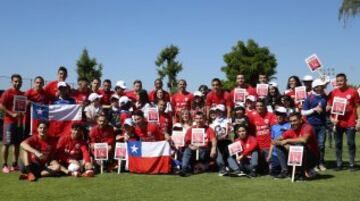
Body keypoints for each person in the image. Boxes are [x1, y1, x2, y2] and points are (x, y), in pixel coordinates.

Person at [327, 73, 360, 171]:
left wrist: (359, 120)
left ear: (346, 81)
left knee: (351, 143)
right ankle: (339, 164)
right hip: (337, 123)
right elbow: (328, 107)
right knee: (337, 144)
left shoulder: (353, 92)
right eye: (337, 81)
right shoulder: (333, 93)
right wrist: (331, 118)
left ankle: (352, 164)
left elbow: (358, 106)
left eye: (341, 80)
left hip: (350, 122)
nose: (339, 82)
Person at [273, 113, 319, 180]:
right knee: (278, 147)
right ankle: (285, 172)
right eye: (291, 121)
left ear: (300, 120)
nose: (292, 123)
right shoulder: (291, 130)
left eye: (295, 120)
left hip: (312, 157)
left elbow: (304, 140)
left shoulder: (307, 127)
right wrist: (285, 144)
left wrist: (287, 141)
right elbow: (275, 141)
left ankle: (302, 173)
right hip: (298, 156)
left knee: (299, 145)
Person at [179, 111, 217, 177]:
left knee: (206, 149)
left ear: (204, 119)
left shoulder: (209, 129)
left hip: (205, 151)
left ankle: (204, 166)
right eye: (197, 118)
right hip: (194, 151)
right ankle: (184, 169)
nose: (199, 120)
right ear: (194, 119)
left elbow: (214, 140)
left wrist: (213, 148)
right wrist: (191, 146)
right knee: (188, 150)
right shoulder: (191, 129)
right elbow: (187, 141)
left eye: (201, 118)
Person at [0, 74, 25, 173]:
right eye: (15, 81)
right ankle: (4, 165)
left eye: (19, 81)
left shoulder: (23, 94)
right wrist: (11, 114)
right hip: (9, 122)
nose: (17, 83)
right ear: (11, 82)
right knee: (6, 144)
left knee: (17, 144)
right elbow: (1, 105)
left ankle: (14, 164)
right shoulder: (7, 93)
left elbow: (24, 106)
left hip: (19, 123)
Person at [302, 79, 328, 171]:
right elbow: (303, 112)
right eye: (321, 86)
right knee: (312, 145)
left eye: (322, 85)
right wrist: (314, 109)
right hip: (311, 125)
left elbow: (323, 105)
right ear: (316, 88)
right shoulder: (309, 98)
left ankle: (320, 163)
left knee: (321, 145)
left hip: (322, 125)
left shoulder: (324, 96)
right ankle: (313, 164)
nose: (323, 87)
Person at [247, 99, 277, 173]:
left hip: (268, 145)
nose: (259, 107)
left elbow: (274, 129)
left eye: (261, 106)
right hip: (257, 146)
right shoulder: (251, 115)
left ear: (264, 106)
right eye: (257, 106)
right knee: (259, 169)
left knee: (272, 169)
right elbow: (249, 130)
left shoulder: (270, 115)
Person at [268, 107, 291, 177]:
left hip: (286, 152)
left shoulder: (290, 126)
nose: (278, 116)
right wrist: (269, 155)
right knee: (273, 172)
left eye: (280, 115)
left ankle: (286, 170)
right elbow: (272, 142)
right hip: (275, 154)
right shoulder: (273, 127)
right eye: (277, 114)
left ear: (285, 116)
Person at [210, 104, 232, 176]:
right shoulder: (213, 122)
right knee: (219, 156)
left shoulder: (227, 121)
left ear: (223, 112)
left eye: (220, 111)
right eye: (217, 111)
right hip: (218, 142)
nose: (218, 113)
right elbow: (212, 134)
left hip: (227, 141)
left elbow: (231, 132)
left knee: (228, 156)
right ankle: (222, 169)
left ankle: (230, 167)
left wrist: (228, 133)